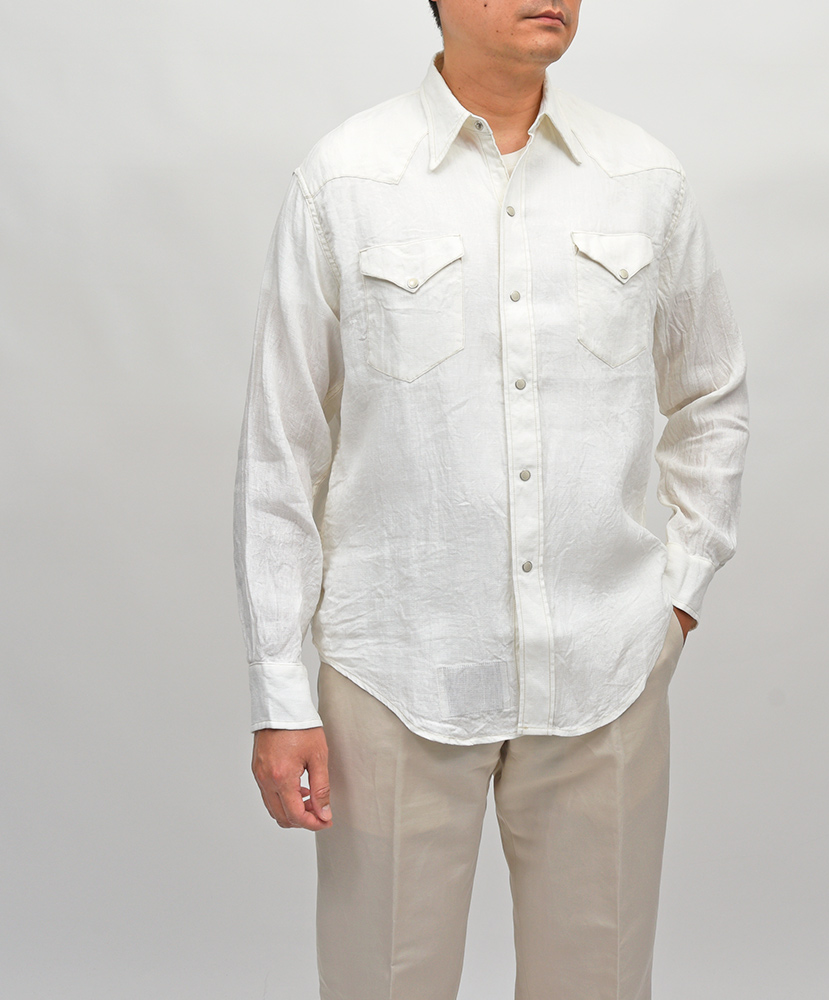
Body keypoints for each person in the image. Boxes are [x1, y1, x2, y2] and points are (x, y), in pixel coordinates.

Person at [233, 1, 750, 996]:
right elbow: (280, 451)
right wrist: (280, 692)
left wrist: (677, 593)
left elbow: (711, 393)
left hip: (604, 670)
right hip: (396, 670)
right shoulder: (346, 180)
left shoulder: (643, 178)